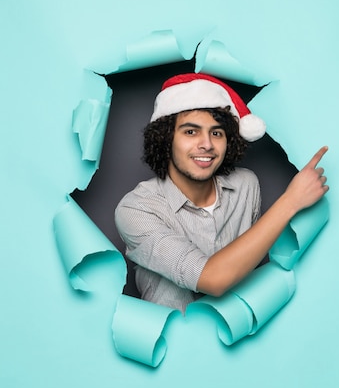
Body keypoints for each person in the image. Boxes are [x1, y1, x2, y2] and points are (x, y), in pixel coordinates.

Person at [115, 73, 328, 311]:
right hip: (177, 340)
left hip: (242, 334)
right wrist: (291, 201)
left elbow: (249, 265)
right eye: (190, 132)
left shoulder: (246, 185)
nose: (206, 144)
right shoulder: (135, 209)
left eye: (216, 133)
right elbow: (212, 280)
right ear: (166, 140)